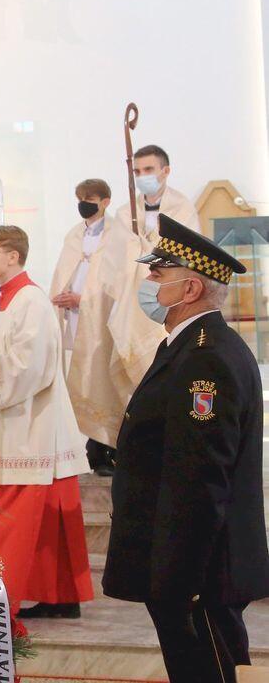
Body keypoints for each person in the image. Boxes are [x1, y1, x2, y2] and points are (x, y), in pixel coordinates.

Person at [103, 215, 269, 683]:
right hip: (185, 559)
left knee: (207, 671)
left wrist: (182, 578)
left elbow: (199, 476)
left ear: (191, 288)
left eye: (158, 275)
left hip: (198, 569)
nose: (150, 284)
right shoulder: (188, 348)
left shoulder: (206, 358)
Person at [0, 226, 92, 618]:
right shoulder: (12, 298)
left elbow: (30, 367)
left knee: (10, 517)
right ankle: (58, 597)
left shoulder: (31, 300)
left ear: (13, 256)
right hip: (23, 421)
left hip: (32, 426)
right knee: (42, 520)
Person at [98, 145, 199, 404]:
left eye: (148, 169)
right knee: (139, 385)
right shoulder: (125, 214)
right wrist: (136, 246)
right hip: (133, 301)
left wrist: (146, 249)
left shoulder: (182, 208)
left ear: (165, 171)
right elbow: (115, 262)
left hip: (172, 299)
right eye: (137, 171)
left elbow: (189, 257)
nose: (142, 176)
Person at [49, 179, 116, 474]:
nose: (83, 204)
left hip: (104, 323)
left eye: (89, 199)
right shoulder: (74, 235)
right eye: (79, 199)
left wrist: (84, 299)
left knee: (103, 383)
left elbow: (118, 282)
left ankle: (106, 447)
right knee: (83, 382)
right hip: (77, 320)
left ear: (105, 201)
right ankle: (89, 447)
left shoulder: (117, 236)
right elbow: (65, 270)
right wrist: (63, 295)